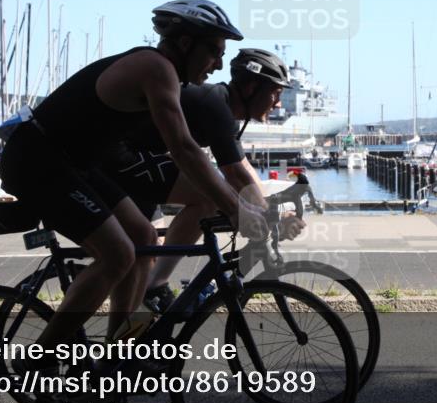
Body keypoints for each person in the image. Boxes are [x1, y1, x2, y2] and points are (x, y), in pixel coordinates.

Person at [0, 0, 266, 359]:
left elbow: (191, 157)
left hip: (77, 164)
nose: (218, 64)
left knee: (141, 238)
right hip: (38, 160)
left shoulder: (165, 73)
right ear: (186, 44)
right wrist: (235, 208)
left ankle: (117, 355)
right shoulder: (154, 68)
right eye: (214, 52)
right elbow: (185, 151)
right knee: (117, 254)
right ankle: (42, 361)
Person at [96, 48, 306, 312]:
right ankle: (154, 285)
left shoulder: (220, 106)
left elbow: (242, 169)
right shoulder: (215, 106)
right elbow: (234, 175)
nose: (277, 103)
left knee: (145, 254)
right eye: (276, 93)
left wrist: (267, 208)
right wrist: (267, 213)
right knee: (207, 196)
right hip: (118, 158)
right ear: (252, 87)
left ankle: (128, 334)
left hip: (134, 161)